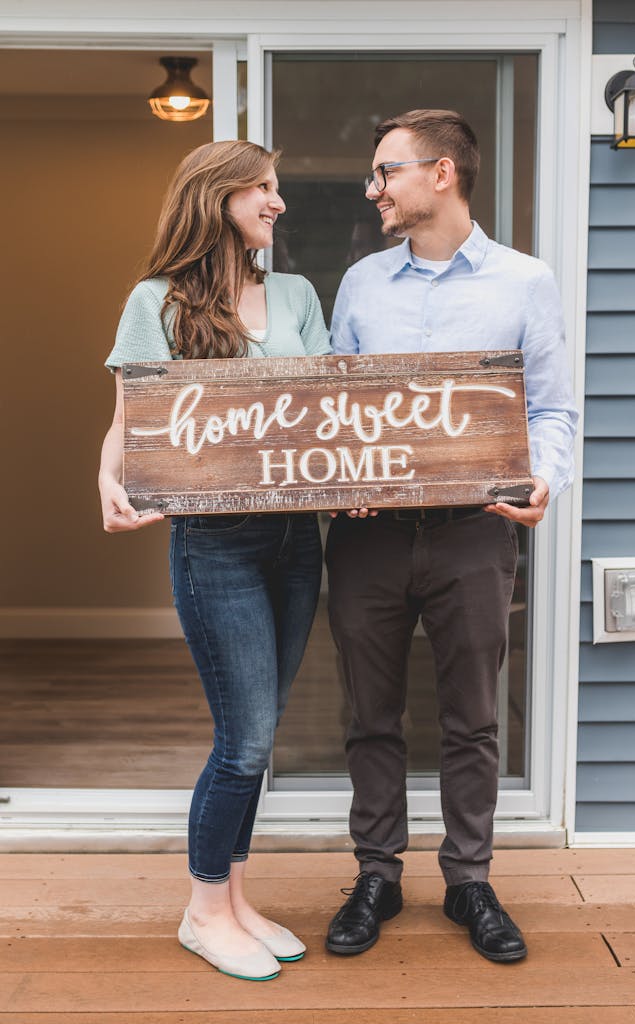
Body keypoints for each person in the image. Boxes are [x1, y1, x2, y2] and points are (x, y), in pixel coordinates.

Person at [324, 109, 578, 963]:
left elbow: (550, 409)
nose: (374, 188)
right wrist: (339, 479)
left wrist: (544, 479)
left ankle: (469, 878)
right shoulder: (359, 283)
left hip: (475, 535)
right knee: (369, 714)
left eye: (386, 171)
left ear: (442, 174)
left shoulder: (523, 282)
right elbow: (335, 412)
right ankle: (377, 874)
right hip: (366, 540)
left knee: (472, 718)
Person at [98, 140, 330, 981]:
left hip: (297, 539)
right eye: (261, 189)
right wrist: (106, 477)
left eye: (276, 188)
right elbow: (133, 416)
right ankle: (202, 911)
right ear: (215, 198)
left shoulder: (297, 295)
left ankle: (234, 898)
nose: (276, 203)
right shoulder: (155, 302)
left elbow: (330, 410)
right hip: (213, 540)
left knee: (257, 740)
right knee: (243, 738)